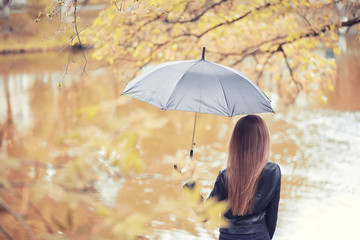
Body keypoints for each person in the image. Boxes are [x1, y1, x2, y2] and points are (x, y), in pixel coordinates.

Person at [184, 114, 281, 240]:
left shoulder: (226, 176)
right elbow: (272, 217)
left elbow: (203, 214)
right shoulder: (273, 171)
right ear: (263, 140)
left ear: (236, 141)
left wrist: (189, 181)